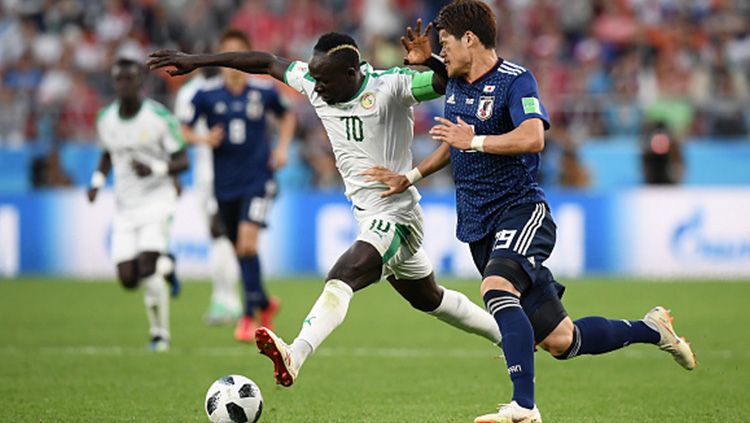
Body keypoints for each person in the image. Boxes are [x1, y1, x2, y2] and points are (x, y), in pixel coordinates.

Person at [362, 2, 696, 422]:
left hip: (520, 210)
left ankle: (524, 407)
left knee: (496, 288)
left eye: (444, 44)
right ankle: (653, 329)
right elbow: (454, 142)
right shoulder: (458, 84)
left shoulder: (515, 80)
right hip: (479, 224)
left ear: (470, 38)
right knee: (561, 340)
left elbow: (533, 136)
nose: (441, 52)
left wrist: (477, 141)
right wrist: (410, 176)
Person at [148, 30, 502, 387]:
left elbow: (446, 83)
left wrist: (427, 60)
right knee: (430, 299)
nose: (315, 88)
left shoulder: (392, 86)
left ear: (351, 75)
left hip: (398, 217)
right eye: (313, 78)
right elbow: (266, 61)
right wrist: (197, 62)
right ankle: (509, 334)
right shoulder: (318, 80)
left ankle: (295, 354)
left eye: (324, 81)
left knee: (341, 276)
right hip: (368, 216)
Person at [178, 29, 296, 342]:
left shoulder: (263, 91)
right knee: (240, 250)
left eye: (238, 56)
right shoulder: (205, 95)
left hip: (258, 180)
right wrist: (203, 138)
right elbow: (183, 130)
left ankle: (248, 317)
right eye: (227, 55)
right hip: (224, 186)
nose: (233, 64)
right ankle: (264, 302)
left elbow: (287, 118)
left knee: (247, 245)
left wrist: (282, 148)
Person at [87, 54, 189, 352]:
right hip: (125, 207)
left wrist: (156, 170)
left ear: (141, 82)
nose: (124, 85)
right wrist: (96, 182)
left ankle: (160, 335)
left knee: (147, 268)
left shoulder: (159, 118)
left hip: (158, 200)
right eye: (119, 79)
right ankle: (168, 265)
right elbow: (107, 154)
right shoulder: (105, 119)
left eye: (129, 79)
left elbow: (182, 160)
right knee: (128, 279)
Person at [174, 65, 243, 325]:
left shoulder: (223, 89)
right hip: (205, 175)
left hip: (223, 174)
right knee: (219, 237)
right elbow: (179, 134)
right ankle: (225, 298)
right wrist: (205, 139)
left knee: (221, 234)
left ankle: (228, 300)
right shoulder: (192, 93)